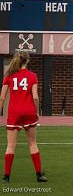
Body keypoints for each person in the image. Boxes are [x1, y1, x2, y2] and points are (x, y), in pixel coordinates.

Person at [0, 51, 47, 182]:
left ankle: (6, 176)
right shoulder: (32, 76)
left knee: (10, 146)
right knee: (32, 143)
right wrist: (36, 112)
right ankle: (39, 175)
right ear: (27, 61)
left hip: (14, 112)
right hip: (29, 112)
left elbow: (2, 97)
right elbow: (35, 97)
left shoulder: (9, 75)